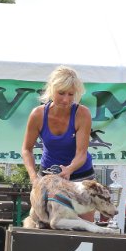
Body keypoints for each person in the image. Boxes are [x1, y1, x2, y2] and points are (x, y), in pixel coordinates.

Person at [21, 65, 95, 222]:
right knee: (43, 223)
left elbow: (81, 153)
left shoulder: (83, 114)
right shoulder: (37, 114)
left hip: (80, 175)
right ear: (51, 89)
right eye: (61, 93)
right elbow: (26, 149)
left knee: (86, 226)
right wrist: (34, 178)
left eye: (71, 94)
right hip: (48, 177)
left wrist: (69, 169)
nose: (66, 99)